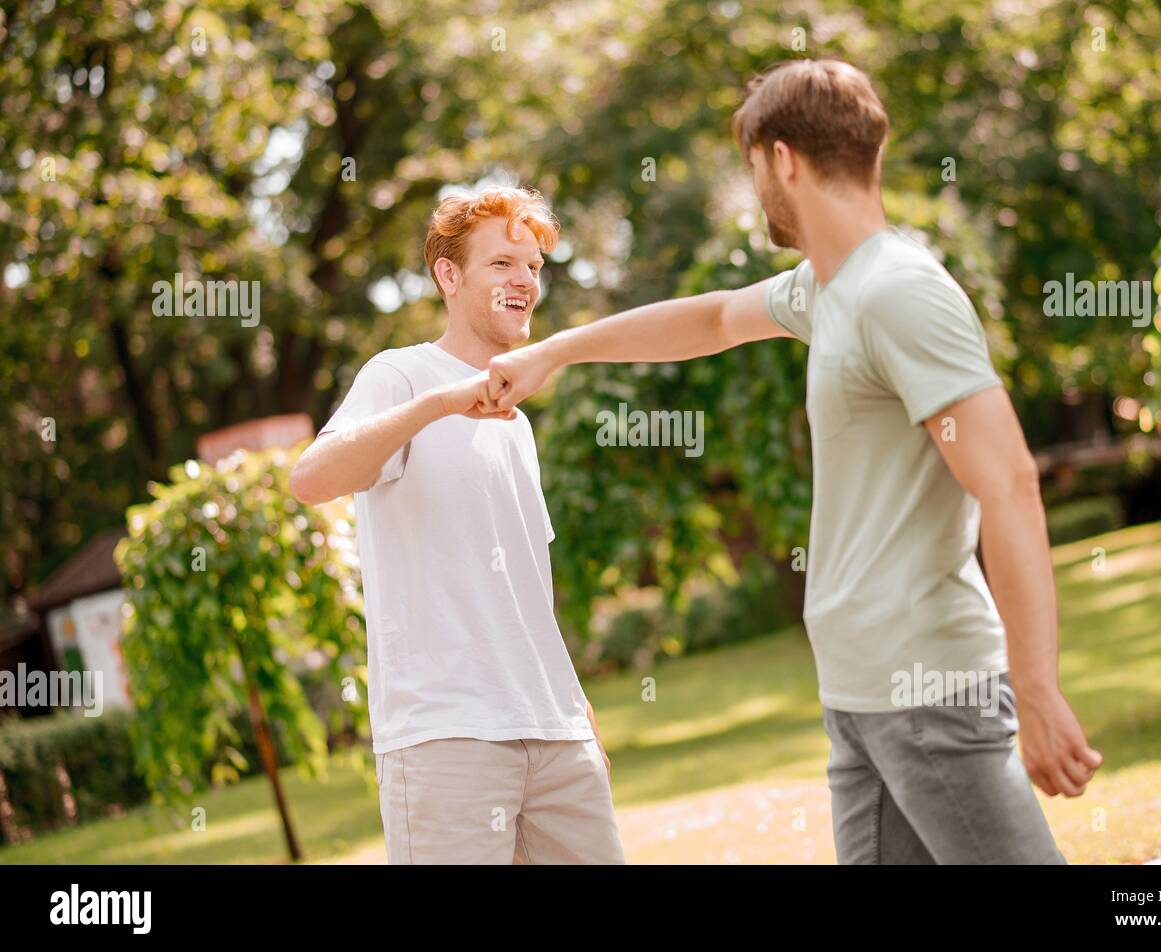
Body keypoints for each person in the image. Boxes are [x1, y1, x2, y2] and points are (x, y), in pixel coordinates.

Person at [485, 59, 1102, 864]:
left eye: (751, 168)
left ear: (781, 159)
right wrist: (556, 354)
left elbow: (1009, 481)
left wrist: (1038, 687)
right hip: (860, 697)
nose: (756, 191)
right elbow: (709, 320)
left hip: (929, 687)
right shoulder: (829, 288)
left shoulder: (898, 290)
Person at [290, 187, 624, 865]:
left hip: (556, 736)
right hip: (447, 739)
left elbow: (528, 591)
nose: (525, 282)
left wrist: (578, 714)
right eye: (503, 264)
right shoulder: (400, 376)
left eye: (533, 267)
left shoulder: (520, 426)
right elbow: (311, 479)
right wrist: (440, 404)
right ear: (449, 275)